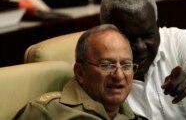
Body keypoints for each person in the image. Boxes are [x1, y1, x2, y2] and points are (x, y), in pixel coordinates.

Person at [14, 24, 146, 120]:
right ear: (80, 73)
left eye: (126, 65)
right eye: (106, 65)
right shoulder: (47, 113)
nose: (119, 75)